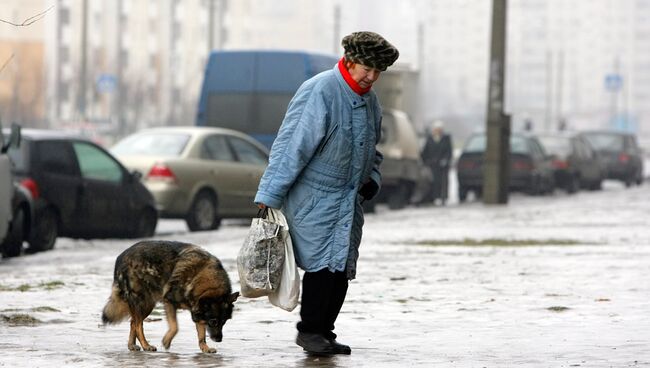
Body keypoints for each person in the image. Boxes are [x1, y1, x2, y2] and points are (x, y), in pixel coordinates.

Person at [254, 31, 399, 355]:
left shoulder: (370, 101)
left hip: (348, 200)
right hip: (314, 197)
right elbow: (292, 147)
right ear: (350, 61)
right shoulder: (320, 91)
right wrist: (269, 195)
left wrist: (372, 178)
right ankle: (309, 332)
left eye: (378, 72)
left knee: (341, 269)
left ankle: (325, 332)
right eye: (367, 69)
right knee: (322, 266)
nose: (371, 77)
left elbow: (373, 151)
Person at [421, 120, 453, 205]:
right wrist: (425, 161)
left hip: (443, 165)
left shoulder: (446, 138)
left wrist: (446, 160)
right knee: (434, 181)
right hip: (433, 164)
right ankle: (435, 197)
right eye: (436, 129)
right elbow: (425, 151)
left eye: (439, 129)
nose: (437, 131)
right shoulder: (430, 139)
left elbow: (449, 151)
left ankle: (443, 198)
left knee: (443, 182)